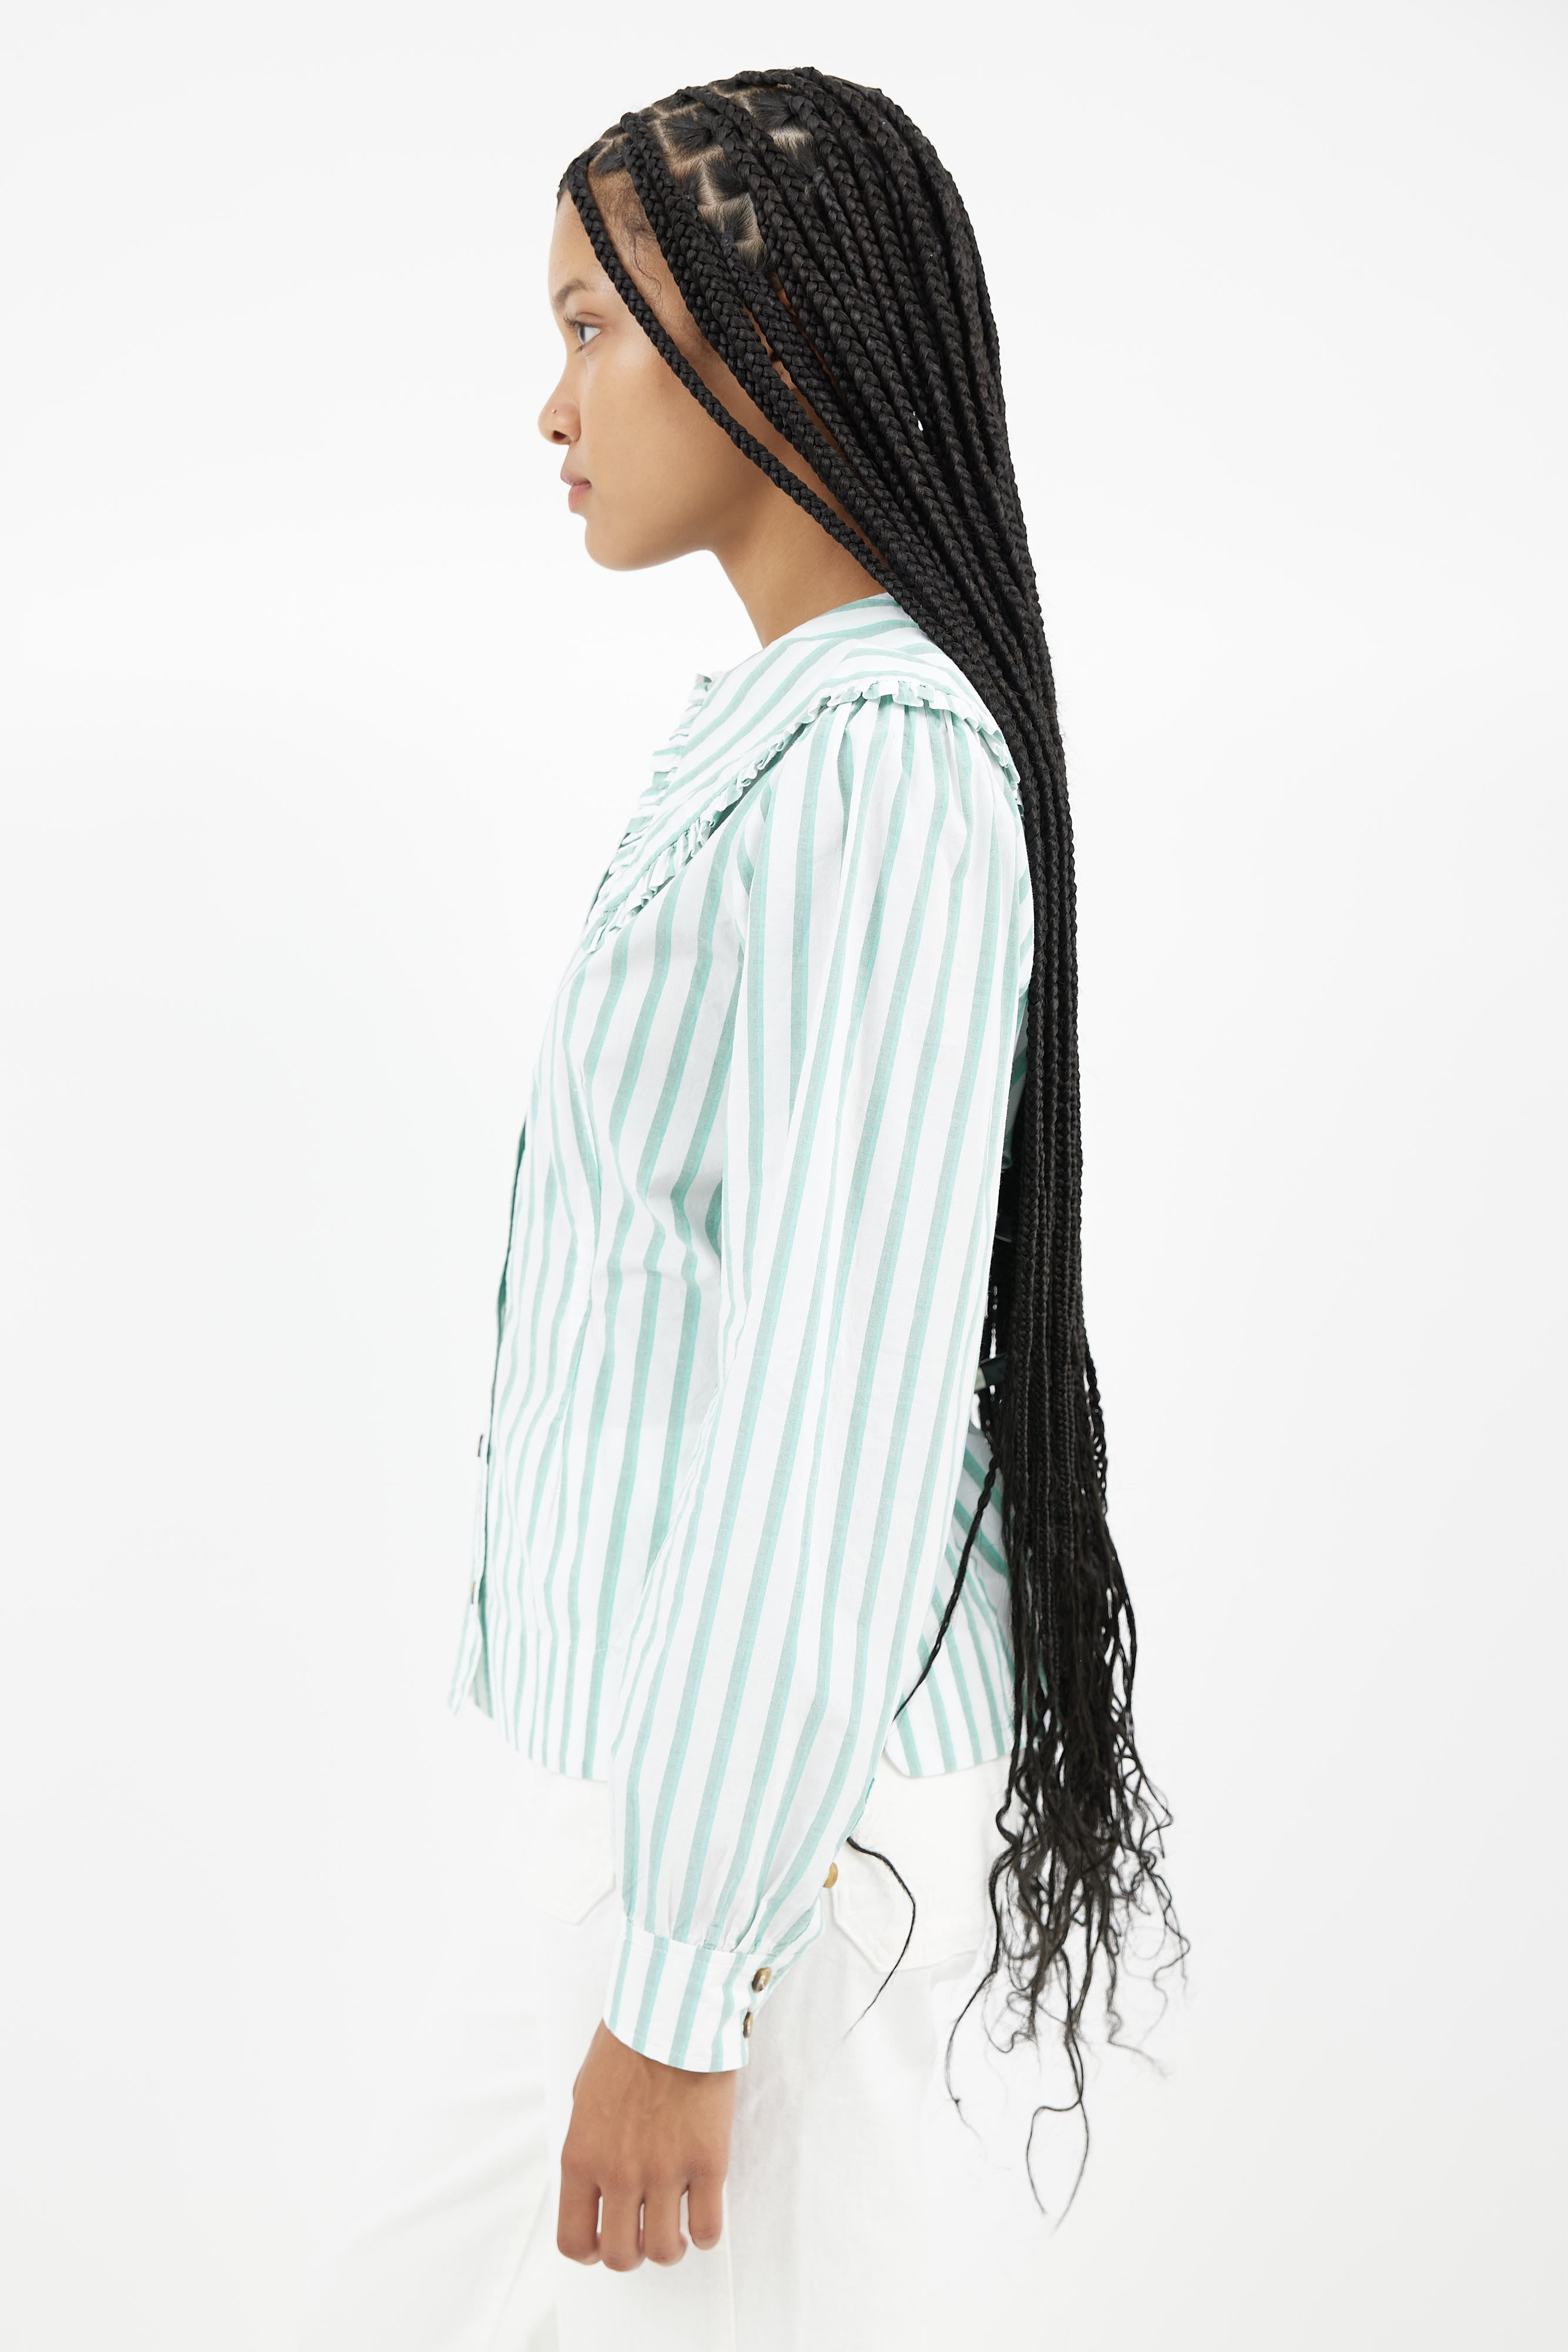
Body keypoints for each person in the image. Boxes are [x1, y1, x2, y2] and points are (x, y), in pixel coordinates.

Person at [284, 66, 1179, 2352]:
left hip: (770, 1840)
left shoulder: (875, 765)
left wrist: (683, 1980)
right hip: (682, 1791)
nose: (549, 403)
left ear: (771, 340)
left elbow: (831, 1412)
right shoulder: (787, 734)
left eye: (591, 326)